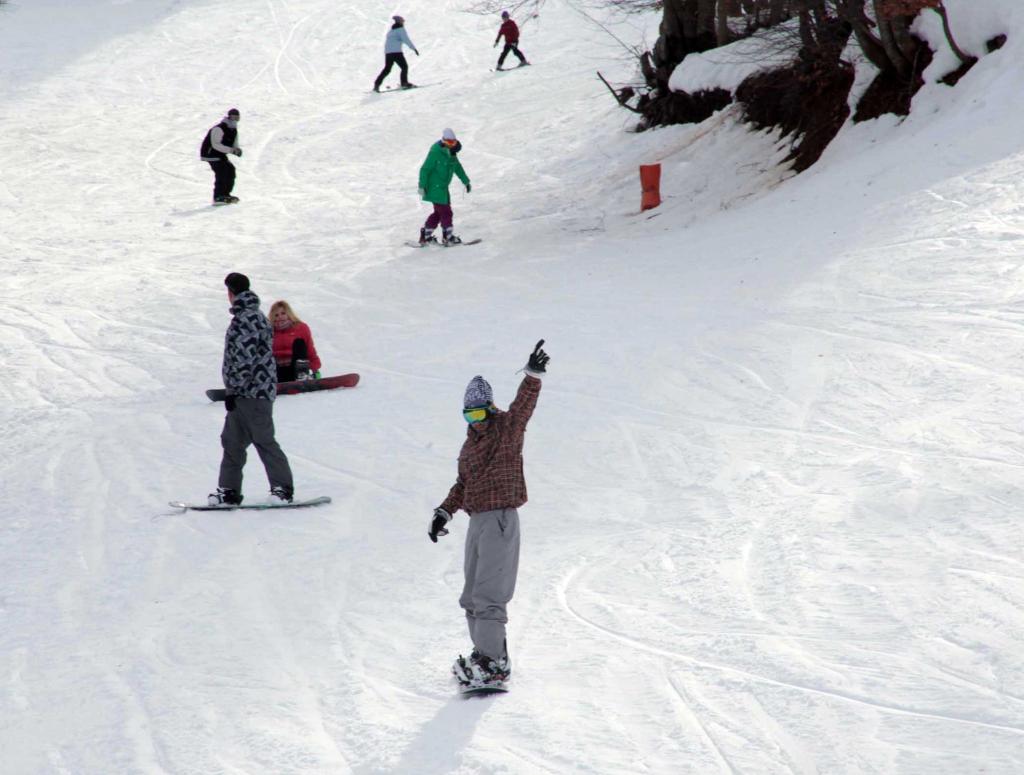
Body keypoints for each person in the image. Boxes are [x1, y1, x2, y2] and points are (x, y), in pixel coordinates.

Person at [429, 340, 550, 687]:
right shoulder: (469, 446)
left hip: (500, 519)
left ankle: (495, 663)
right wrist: (444, 512)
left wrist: (532, 376)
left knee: (489, 596)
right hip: (477, 522)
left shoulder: (507, 431)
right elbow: (462, 484)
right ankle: (484, 653)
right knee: (471, 597)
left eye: (480, 414)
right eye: (469, 415)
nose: (475, 421)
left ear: (490, 409)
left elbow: (523, 408)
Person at [209, 273, 295, 506]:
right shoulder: (250, 316)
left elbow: (244, 358)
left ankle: (282, 489)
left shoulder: (247, 318)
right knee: (232, 442)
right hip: (243, 393)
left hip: (254, 392)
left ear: (230, 292)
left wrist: (234, 388)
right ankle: (228, 490)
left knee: (263, 439)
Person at [418, 128, 471, 246]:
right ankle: (448, 236)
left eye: (453, 143)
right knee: (446, 212)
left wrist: (466, 181)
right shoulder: (435, 152)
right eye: (449, 143)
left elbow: (458, 167)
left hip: (443, 188)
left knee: (438, 213)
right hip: (433, 187)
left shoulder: (451, 153)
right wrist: (421, 186)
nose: (451, 145)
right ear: (444, 141)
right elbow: (425, 169)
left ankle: (426, 235)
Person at [269, 300, 322, 382]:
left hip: (296, 367)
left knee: (299, 343)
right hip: (277, 370)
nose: (280, 317)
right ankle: (271, 380)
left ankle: (302, 375)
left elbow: (309, 349)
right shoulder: (269, 331)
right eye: (276, 315)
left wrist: (315, 369)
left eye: (283, 313)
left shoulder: (301, 328)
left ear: (288, 313)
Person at [200, 108, 243, 204]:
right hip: (210, 154)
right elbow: (216, 144)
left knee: (230, 170)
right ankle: (218, 196)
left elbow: (234, 143)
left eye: (237, 117)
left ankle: (225, 194)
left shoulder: (233, 129)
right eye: (233, 116)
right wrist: (231, 150)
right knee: (222, 171)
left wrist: (237, 149)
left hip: (220, 155)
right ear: (229, 116)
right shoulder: (219, 128)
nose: (235, 119)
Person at [373, 15, 420, 92]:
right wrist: (413, 48)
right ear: (400, 22)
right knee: (404, 67)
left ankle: (376, 84)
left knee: (387, 69)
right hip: (396, 52)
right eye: (402, 21)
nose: (403, 22)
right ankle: (404, 83)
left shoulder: (391, 31)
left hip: (388, 53)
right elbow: (406, 39)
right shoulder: (401, 30)